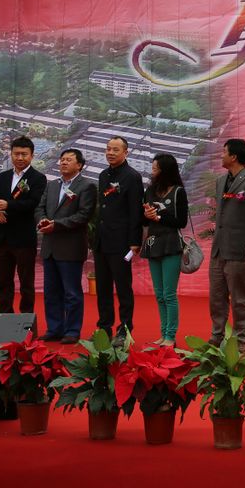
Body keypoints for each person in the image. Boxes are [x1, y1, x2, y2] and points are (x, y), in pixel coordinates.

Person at [35, 148, 95, 343]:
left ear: (79, 165)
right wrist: (43, 220)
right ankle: (54, 328)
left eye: (68, 160)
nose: (63, 163)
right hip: (50, 247)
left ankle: (72, 331)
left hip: (70, 247)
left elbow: (83, 215)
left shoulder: (86, 186)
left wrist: (57, 225)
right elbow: (40, 208)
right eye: (61, 160)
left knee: (71, 293)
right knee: (51, 292)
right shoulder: (52, 185)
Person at [209, 138, 245, 350]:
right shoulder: (220, 181)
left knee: (239, 298)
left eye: (224, 152)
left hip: (239, 250)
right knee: (216, 297)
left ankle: (241, 340)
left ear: (234, 157)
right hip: (218, 249)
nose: (221, 156)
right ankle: (217, 336)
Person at [0, 136, 47, 315]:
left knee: (26, 283)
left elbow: (34, 203)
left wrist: (8, 205)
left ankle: (26, 320)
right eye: (16, 154)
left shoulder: (38, 178)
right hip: (2, 238)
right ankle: (5, 316)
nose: (20, 158)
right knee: (3, 282)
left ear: (32, 156)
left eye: (24, 154)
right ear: (11, 154)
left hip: (23, 239)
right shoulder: (4, 176)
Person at [93, 136, 144, 339]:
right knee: (103, 288)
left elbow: (135, 211)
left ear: (126, 152)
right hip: (102, 240)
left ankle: (125, 328)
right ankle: (104, 328)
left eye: (115, 149)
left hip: (122, 242)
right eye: (108, 149)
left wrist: (134, 241)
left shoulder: (132, 177)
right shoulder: (103, 175)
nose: (110, 153)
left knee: (123, 287)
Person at [141, 153, 189, 346]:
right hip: (153, 243)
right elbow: (143, 219)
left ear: (165, 170)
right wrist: (147, 215)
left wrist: (159, 217)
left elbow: (181, 221)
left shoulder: (178, 191)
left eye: (155, 168)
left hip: (171, 245)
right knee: (159, 294)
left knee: (169, 294)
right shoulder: (150, 190)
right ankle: (163, 333)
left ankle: (171, 336)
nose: (153, 172)